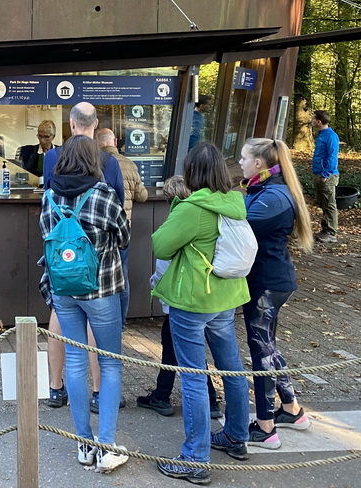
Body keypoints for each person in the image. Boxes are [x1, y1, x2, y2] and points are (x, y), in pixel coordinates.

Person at [151, 142, 250, 483]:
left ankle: (195, 457)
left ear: (191, 172)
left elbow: (160, 244)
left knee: (193, 376)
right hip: (226, 297)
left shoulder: (193, 207)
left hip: (193, 300)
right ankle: (237, 435)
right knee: (232, 367)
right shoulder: (234, 201)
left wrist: (179, 205)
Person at [40, 135, 130, 473]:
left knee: (74, 363)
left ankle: (84, 444)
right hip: (102, 290)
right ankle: (106, 446)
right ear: (94, 161)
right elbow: (123, 236)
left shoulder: (48, 197)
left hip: (64, 290)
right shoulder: (104, 195)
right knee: (110, 365)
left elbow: (45, 236)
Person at [238, 137, 314, 448]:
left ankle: (266, 427)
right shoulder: (267, 190)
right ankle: (292, 410)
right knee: (268, 346)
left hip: (266, 284)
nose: (240, 162)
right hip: (270, 280)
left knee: (261, 353)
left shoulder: (274, 197)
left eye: (243, 158)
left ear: (259, 163)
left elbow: (241, 230)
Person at [136, 175, 222, 420]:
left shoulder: (178, 221)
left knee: (183, 350)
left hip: (180, 298)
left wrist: (156, 288)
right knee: (180, 347)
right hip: (203, 296)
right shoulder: (208, 217)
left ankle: (173, 397)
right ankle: (170, 394)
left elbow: (163, 263)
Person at [96, 128, 148, 220]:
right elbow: (142, 196)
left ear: (95, 143)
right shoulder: (130, 164)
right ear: (115, 141)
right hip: (123, 222)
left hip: (100, 222)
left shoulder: (92, 164)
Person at [311, 110, 340, 243]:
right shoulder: (321, 134)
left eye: (313, 119)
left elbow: (332, 157)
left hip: (327, 176)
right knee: (323, 203)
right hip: (319, 173)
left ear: (319, 121)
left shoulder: (331, 136)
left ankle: (331, 233)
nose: (311, 120)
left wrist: (326, 174)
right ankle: (325, 229)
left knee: (329, 204)